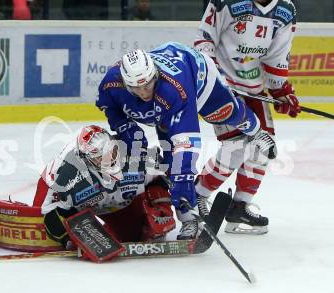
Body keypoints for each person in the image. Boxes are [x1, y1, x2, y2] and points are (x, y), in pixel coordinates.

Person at [95, 41, 278, 240]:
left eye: (147, 84)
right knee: (167, 159)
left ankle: (257, 131)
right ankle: (187, 216)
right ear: (124, 82)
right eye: (136, 87)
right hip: (164, 97)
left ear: (154, 74)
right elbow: (108, 106)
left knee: (229, 112)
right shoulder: (111, 84)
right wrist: (124, 126)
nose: (144, 92)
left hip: (197, 75)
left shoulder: (175, 90)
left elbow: (186, 145)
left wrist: (183, 182)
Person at [193, 0, 300, 234]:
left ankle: (240, 206)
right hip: (220, 88)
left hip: (253, 89)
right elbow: (204, 39)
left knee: (264, 146)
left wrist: (281, 91)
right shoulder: (226, 3)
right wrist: (214, 78)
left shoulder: (285, 10)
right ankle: (198, 194)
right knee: (237, 146)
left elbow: (277, 55)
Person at [32, 125, 175, 249]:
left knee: (133, 236)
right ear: (87, 160)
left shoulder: (136, 157)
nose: (110, 159)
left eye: (111, 151)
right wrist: (68, 239)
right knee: (46, 225)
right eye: (100, 157)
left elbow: (163, 178)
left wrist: (162, 208)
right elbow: (51, 213)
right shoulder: (69, 176)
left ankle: (143, 227)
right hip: (80, 205)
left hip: (120, 203)